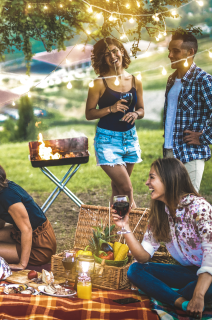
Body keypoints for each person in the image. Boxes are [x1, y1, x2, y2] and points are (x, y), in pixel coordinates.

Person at [113, 158, 212, 319]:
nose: (147, 182)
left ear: (169, 178)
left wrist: (199, 295)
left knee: (199, 289)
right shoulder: (160, 214)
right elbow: (143, 256)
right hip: (191, 273)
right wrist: (124, 226)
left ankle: (171, 294)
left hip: (210, 274)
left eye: (152, 177)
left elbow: (210, 256)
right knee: (135, 269)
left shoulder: (199, 208)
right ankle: (182, 302)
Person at [86, 37, 145, 209]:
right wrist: (110, 109)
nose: (112, 56)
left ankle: (116, 230)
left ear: (121, 51)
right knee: (126, 188)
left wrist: (135, 113)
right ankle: (134, 224)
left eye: (114, 50)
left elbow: (141, 109)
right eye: (106, 54)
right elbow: (89, 114)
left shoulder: (135, 80)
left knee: (118, 187)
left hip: (130, 138)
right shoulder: (98, 83)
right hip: (107, 141)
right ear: (102, 59)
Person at [0, 159, 56, 269]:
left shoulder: (8, 196)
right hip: (18, 233)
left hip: (39, 245)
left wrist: (22, 264)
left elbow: (27, 229)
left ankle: (20, 256)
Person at [162, 31, 212, 192]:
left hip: (191, 154)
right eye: (169, 50)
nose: (170, 55)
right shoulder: (171, 79)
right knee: (170, 206)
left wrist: (204, 137)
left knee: (188, 207)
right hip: (169, 152)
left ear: (191, 52)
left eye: (175, 51)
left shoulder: (202, 79)